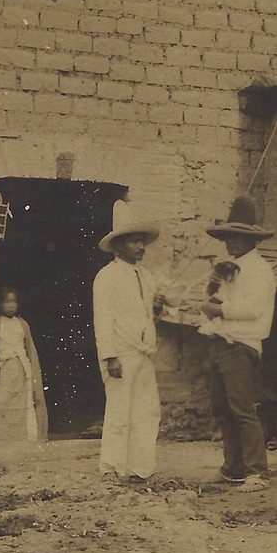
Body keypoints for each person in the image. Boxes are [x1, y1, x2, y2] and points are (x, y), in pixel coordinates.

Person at [198, 197, 277, 492]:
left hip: (242, 345)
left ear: (251, 240)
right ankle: (233, 468)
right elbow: (211, 303)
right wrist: (213, 292)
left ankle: (258, 472)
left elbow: (254, 309)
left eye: (238, 238)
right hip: (221, 341)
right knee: (222, 409)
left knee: (243, 409)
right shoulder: (226, 268)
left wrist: (220, 310)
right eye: (228, 237)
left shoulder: (260, 270)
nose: (231, 243)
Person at [92, 198, 165, 484]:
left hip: (143, 353)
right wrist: (110, 356)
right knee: (120, 412)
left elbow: (147, 318)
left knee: (147, 411)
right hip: (120, 355)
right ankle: (111, 467)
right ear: (119, 245)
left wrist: (157, 308)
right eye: (134, 242)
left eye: (142, 242)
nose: (140, 247)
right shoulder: (106, 277)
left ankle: (140, 468)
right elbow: (103, 319)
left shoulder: (145, 276)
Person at [0, 286, 49, 447]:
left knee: (23, 401)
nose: (11, 306)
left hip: (21, 369)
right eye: (7, 302)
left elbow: (29, 349)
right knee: (2, 401)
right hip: (3, 369)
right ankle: (0, 440)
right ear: (0, 304)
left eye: (14, 302)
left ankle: (25, 438)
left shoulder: (22, 324)